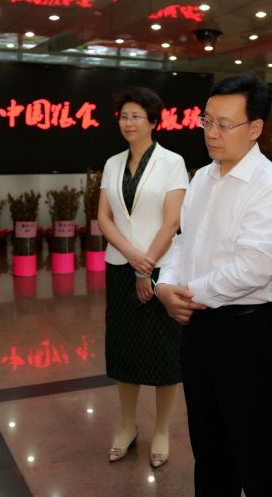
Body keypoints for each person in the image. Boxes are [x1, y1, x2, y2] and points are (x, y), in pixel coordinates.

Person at [156, 75, 272, 497]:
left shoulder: (271, 187)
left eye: (224, 124)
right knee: (208, 447)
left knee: (254, 451)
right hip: (199, 327)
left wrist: (187, 294)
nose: (212, 133)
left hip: (249, 331)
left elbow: (253, 268)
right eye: (207, 121)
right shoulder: (203, 177)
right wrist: (166, 285)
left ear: (255, 128)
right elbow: (184, 242)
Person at [97, 86, 188, 468]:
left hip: (162, 269)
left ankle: (162, 430)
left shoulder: (172, 162)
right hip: (121, 268)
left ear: (153, 121)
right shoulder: (113, 163)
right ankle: (128, 426)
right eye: (123, 116)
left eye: (136, 116)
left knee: (165, 352)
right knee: (125, 349)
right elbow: (104, 218)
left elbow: (172, 221)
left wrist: (145, 264)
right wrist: (135, 260)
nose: (128, 122)